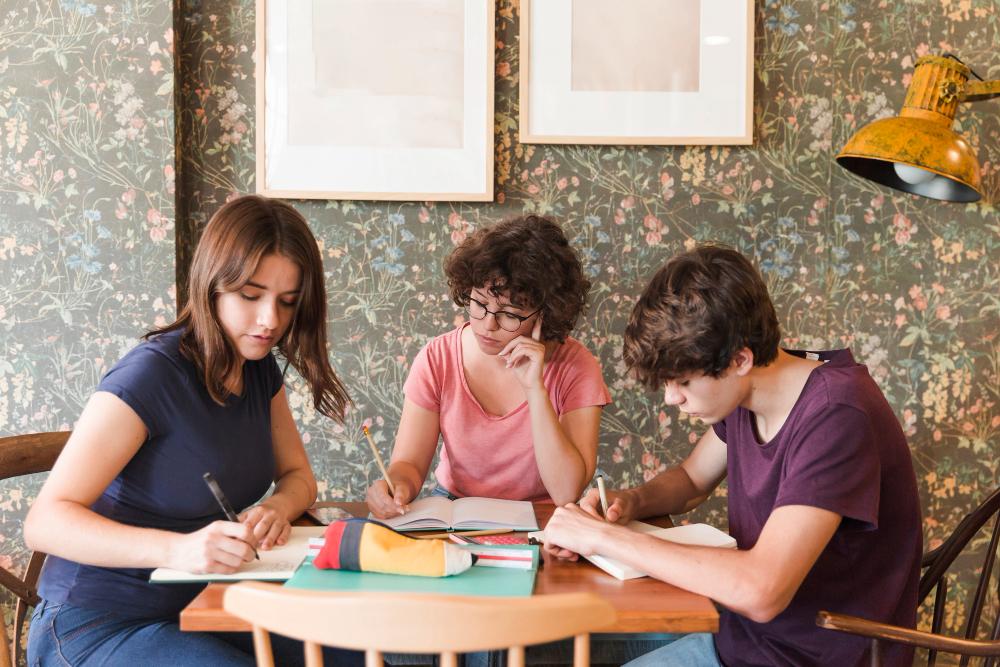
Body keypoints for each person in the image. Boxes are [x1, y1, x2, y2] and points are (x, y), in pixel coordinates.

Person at [543, 244, 922, 667]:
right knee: (558, 643)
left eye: (683, 380)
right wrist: (629, 501)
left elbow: (761, 592)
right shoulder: (749, 396)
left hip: (811, 656)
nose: (672, 398)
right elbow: (690, 481)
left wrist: (603, 538)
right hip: (743, 637)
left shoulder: (837, 415)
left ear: (740, 358)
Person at [24, 195, 359, 666]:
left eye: (287, 302)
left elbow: (299, 477)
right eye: (250, 295)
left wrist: (275, 508)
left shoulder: (258, 368)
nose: (271, 321)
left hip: (198, 608)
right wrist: (178, 550)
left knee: (361, 652)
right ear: (212, 285)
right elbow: (43, 523)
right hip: (93, 622)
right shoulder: (150, 376)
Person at [366, 215, 610, 517]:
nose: (487, 324)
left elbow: (565, 492)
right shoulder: (437, 358)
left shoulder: (578, 367)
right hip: (456, 510)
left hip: (542, 517)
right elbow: (409, 465)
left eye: (509, 314)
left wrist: (535, 389)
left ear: (544, 314)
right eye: (479, 303)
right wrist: (396, 487)